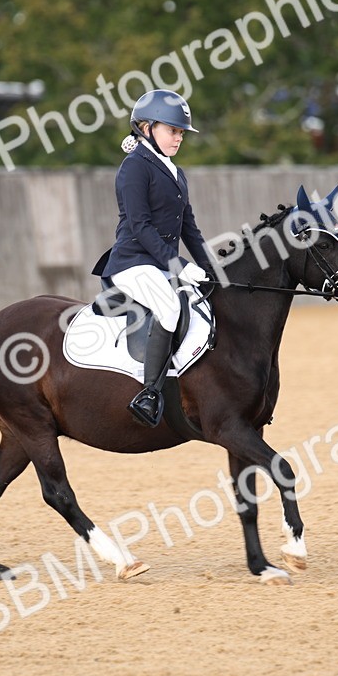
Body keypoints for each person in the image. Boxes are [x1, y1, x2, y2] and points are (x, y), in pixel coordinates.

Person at [92, 89, 214, 427]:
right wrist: (179, 266)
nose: (178, 138)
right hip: (132, 262)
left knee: (203, 300)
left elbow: (190, 229)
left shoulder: (175, 172)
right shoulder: (134, 168)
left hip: (159, 264)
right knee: (171, 307)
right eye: (172, 130)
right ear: (146, 128)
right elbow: (140, 226)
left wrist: (210, 269)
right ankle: (149, 393)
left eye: (180, 133)